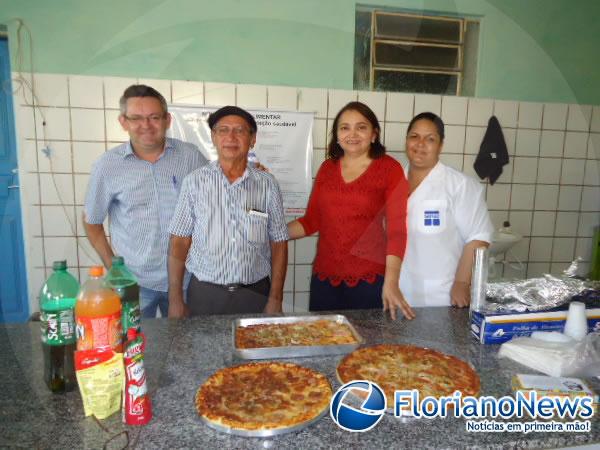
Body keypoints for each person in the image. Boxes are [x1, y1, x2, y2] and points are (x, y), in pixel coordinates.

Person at [83, 84, 208, 318]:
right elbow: (92, 221)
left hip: (188, 279)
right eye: (136, 118)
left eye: (154, 117)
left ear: (167, 119)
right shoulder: (108, 166)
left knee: (185, 346)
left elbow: (216, 193)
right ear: (123, 122)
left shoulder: (191, 156)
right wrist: (114, 268)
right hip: (136, 283)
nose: (146, 126)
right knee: (136, 348)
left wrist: (252, 172)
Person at [287, 101, 415, 320]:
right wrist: (269, 232)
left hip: (369, 282)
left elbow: (397, 231)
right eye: (345, 127)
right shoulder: (328, 168)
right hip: (325, 280)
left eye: (361, 127)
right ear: (337, 135)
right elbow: (312, 221)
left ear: (374, 134)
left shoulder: (389, 169)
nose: (352, 134)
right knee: (323, 347)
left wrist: (391, 282)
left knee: (367, 350)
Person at [168, 106, 288, 317]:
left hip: (255, 293)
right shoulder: (194, 182)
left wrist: (276, 298)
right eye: (223, 130)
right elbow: (179, 242)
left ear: (252, 139)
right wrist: (175, 299)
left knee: (256, 349)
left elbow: (279, 243)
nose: (231, 137)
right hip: (205, 293)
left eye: (240, 130)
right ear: (214, 137)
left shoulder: (268, 184)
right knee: (205, 350)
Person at [399, 112, 494, 307]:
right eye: (414, 136)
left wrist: (462, 282)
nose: (420, 144)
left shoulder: (459, 185)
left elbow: (478, 237)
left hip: (439, 296)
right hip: (394, 291)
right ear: (406, 140)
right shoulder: (392, 180)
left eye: (430, 139)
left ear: (441, 145)